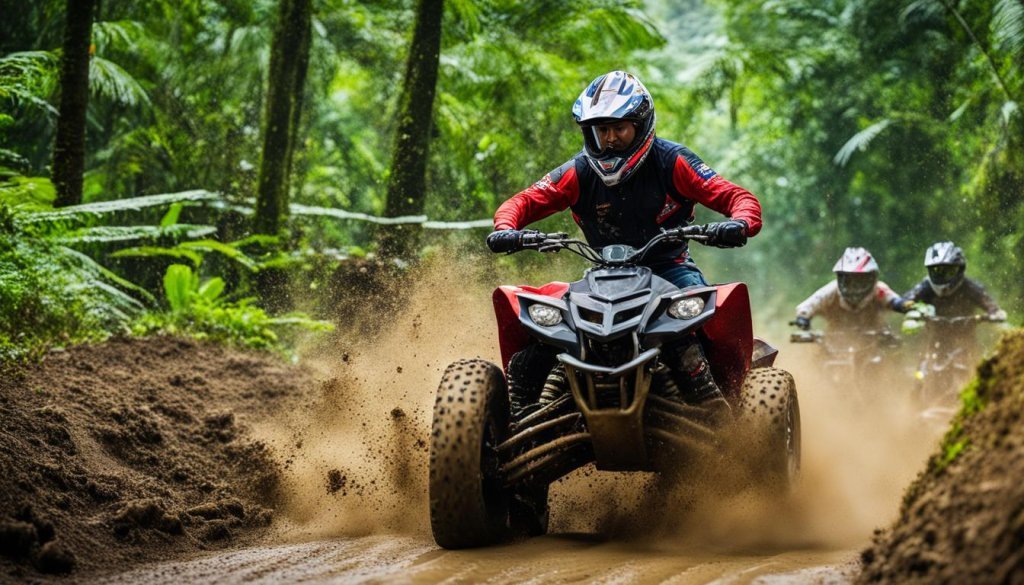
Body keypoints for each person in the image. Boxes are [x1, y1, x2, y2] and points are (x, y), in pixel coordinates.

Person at [485, 70, 762, 422]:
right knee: (542, 332)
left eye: (619, 127)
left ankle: (726, 414)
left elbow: (736, 196)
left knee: (708, 318)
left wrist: (739, 223)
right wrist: (507, 228)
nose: (610, 138)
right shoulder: (579, 171)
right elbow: (522, 202)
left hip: (671, 269)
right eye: (602, 130)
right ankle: (521, 421)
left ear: (641, 125)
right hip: (603, 275)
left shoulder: (672, 161)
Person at [793, 247, 907, 334]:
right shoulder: (832, 290)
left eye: (860, 281)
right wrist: (803, 318)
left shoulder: (878, 290)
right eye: (849, 280)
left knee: (894, 351)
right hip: (834, 342)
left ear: (872, 279)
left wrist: (902, 305)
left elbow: (895, 300)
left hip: (874, 340)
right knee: (816, 357)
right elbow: (809, 305)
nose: (854, 286)